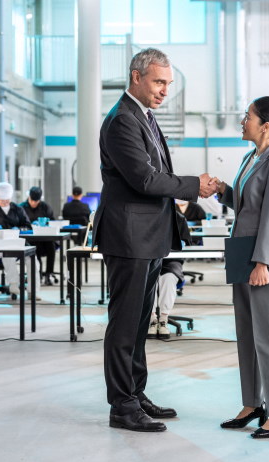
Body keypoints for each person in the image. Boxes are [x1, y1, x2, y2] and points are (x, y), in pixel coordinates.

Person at [92, 47, 217, 432]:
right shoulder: (121, 122)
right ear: (136, 77)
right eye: (158, 82)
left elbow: (155, 175)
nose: (165, 91)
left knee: (140, 321)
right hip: (129, 238)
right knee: (125, 323)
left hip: (147, 238)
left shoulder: (143, 117)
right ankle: (121, 406)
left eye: (168, 84)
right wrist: (195, 185)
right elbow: (145, 180)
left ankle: (135, 392)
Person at [214, 96, 269, 439]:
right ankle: (253, 403)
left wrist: (263, 261)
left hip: (261, 258)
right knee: (247, 335)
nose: (242, 122)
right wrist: (223, 190)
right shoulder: (252, 156)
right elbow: (246, 203)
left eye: (246, 117)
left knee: (267, 335)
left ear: (265, 126)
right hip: (242, 254)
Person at [0, 182, 38, 298]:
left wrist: (18, 229)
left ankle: (33, 290)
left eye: (7, 200)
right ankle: (14, 284)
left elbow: (28, 226)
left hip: (18, 242)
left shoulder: (18, 209)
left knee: (32, 259)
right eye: (2, 200)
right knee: (8, 255)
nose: (5, 202)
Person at [148, 211, 192, 340]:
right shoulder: (147, 215)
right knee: (149, 280)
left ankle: (163, 318)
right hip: (149, 259)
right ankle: (152, 319)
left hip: (171, 261)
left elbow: (186, 244)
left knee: (168, 278)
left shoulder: (179, 219)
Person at [20, 186, 56, 286]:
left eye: (36, 201)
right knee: (34, 250)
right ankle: (37, 275)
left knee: (51, 247)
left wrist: (44, 223)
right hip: (30, 239)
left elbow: (52, 221)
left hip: (45, 238)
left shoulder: (45, 207)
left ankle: (48, 274)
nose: (34, 203)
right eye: (32, 200)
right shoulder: (21, 207)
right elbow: (19, 223)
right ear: (29, 197)